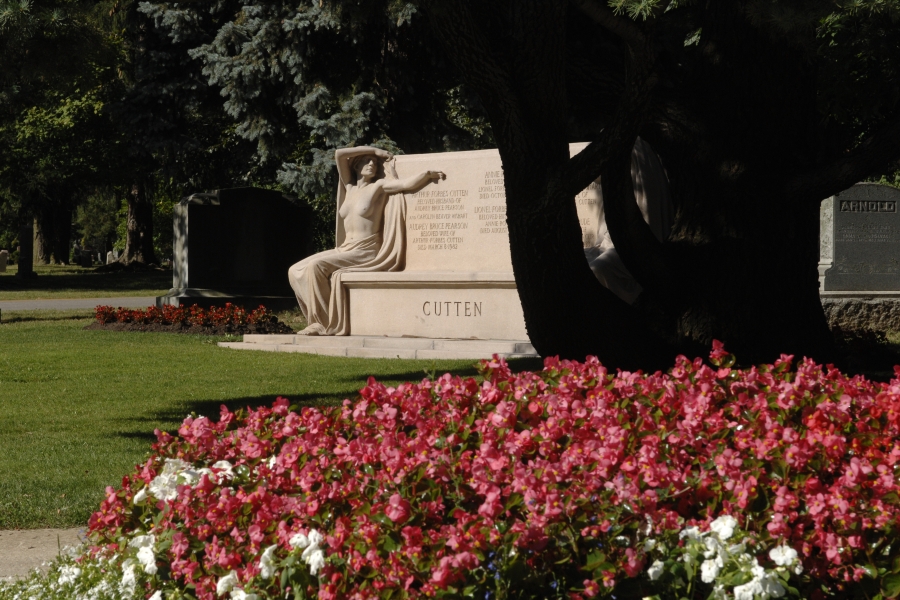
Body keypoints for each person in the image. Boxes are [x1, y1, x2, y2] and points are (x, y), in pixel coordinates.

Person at [288, 146, 446, 335]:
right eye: (366, 160)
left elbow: (405, 185)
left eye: (374, 162)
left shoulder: (378, 187)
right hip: (345, 249)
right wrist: (375, 151)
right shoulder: (349, 187)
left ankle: (321, 323)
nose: (372, 164)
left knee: (315, 266)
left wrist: (426, 175)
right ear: (356, 166)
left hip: (365, 251)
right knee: (294, 270)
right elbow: (339, 154)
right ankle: (319, 317)